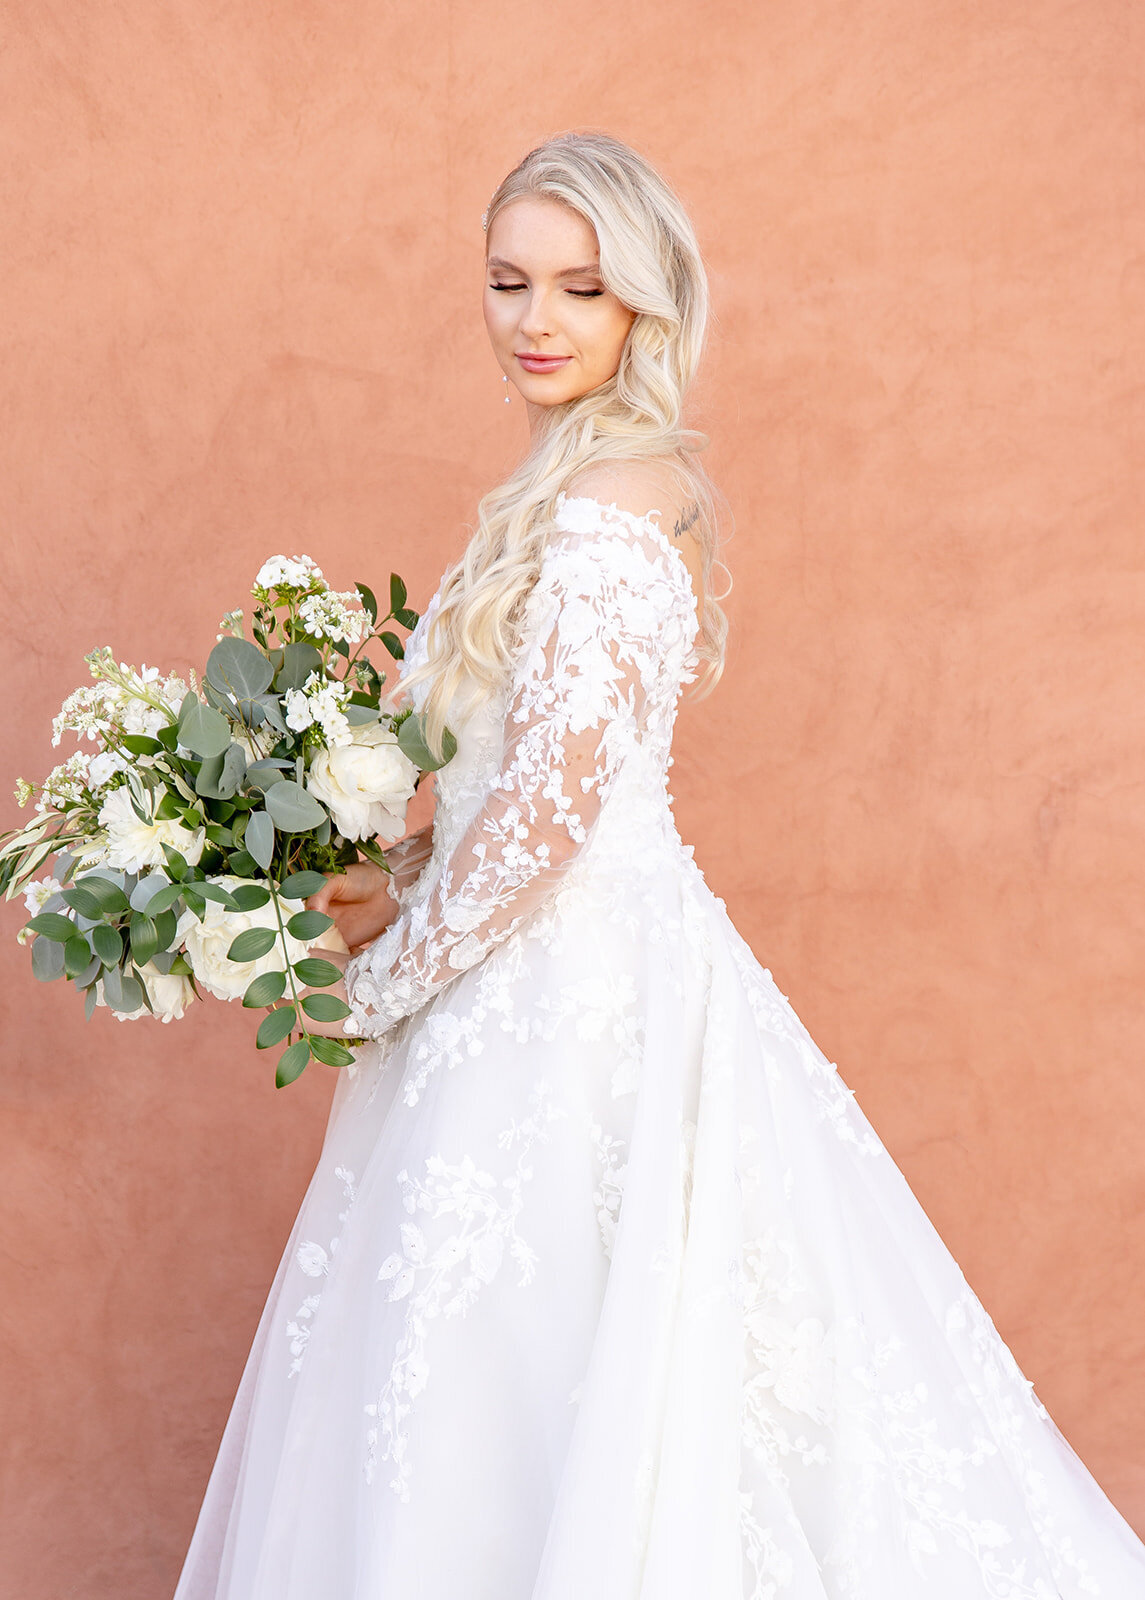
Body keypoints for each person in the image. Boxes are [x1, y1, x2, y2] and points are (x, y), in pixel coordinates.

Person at [172, 131, 1145, 1600]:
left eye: (580, 287)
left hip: (574, 995)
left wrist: (374, 990)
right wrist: (372, 863)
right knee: (481, 1369)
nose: (536, 321)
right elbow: (512, 779)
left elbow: (559, 816)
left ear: (644, 307)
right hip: (518, 973)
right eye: (508, 282)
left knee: (577, 1356)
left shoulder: (613, 504)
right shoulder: (553, 489)